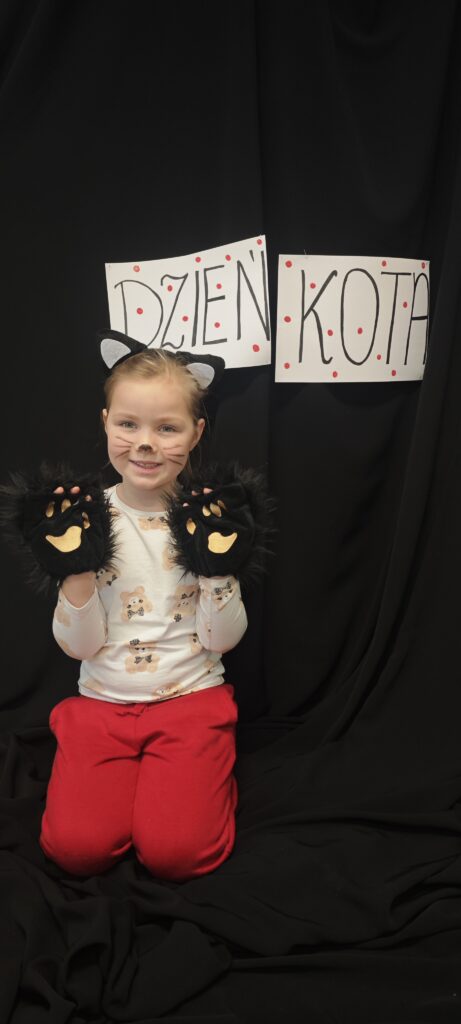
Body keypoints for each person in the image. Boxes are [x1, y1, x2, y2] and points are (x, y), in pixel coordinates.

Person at [1, 332, 271, 880]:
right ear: (105, 422)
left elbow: (222, 640)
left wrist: (217, 567)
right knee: (75, 850)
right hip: (101, 703)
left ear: (196, 433)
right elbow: (79, 647)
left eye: (167, 428)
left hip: (190, 699)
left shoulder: (210, 517)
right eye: (128, 424)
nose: (144, 443)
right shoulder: (81, 519)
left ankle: (194, 778)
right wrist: (77, 571)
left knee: (178, 855)